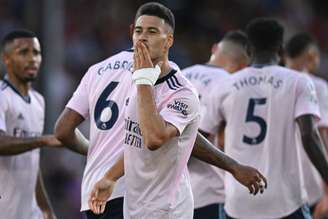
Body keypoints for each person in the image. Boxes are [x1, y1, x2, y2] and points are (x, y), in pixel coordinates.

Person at [85, 3, 266, 219]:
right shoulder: (141, 84)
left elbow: (154, 138)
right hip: (135, 208)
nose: (142, 38)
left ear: (168, 41)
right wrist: (110, 178)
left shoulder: (181, 92)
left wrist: (143, 80)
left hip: (167, 210)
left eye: (152, 32)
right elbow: (138, 141)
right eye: (138, 31)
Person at [200, 17, 328, 218]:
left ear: (249, 49)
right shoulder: (298, 82)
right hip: (285, 200)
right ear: (281, 49)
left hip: (238, 199)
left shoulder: (224, 86)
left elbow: (201, 139)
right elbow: (309, 136)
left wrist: (231, 167)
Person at [182, 30, 249, 219]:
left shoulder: (178, 76)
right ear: (244, 66)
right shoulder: (233, 85)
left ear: (215, 49)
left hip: (172, 194)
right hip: (210, 193)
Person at [0, 30, 61, 219]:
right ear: (6, 59)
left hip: (29, 212)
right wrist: (42, 141)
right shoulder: (2, 96)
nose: (32, 58)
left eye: (36, 52)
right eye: (23, 52)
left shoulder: (38, 101)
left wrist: (46, 209)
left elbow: (33, 162)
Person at [285, 32, 328, 218]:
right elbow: (322, 134)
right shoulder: (315, 85)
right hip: (310, 180)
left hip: (277, 180)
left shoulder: (273, 82)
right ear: (311, 55)